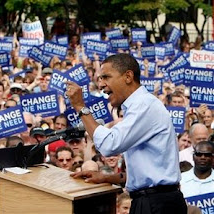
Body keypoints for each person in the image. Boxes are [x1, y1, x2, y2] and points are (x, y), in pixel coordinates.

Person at [66, 53, 187, 214]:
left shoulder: (144, 105)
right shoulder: (138, 106)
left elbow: (109, 144)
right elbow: (146, 172)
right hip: (151, 202)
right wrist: (106, 178)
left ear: (128, 76)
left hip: (157, 205)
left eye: (106, 77)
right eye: (100, 78)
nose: (101, 84)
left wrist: (80, 107)